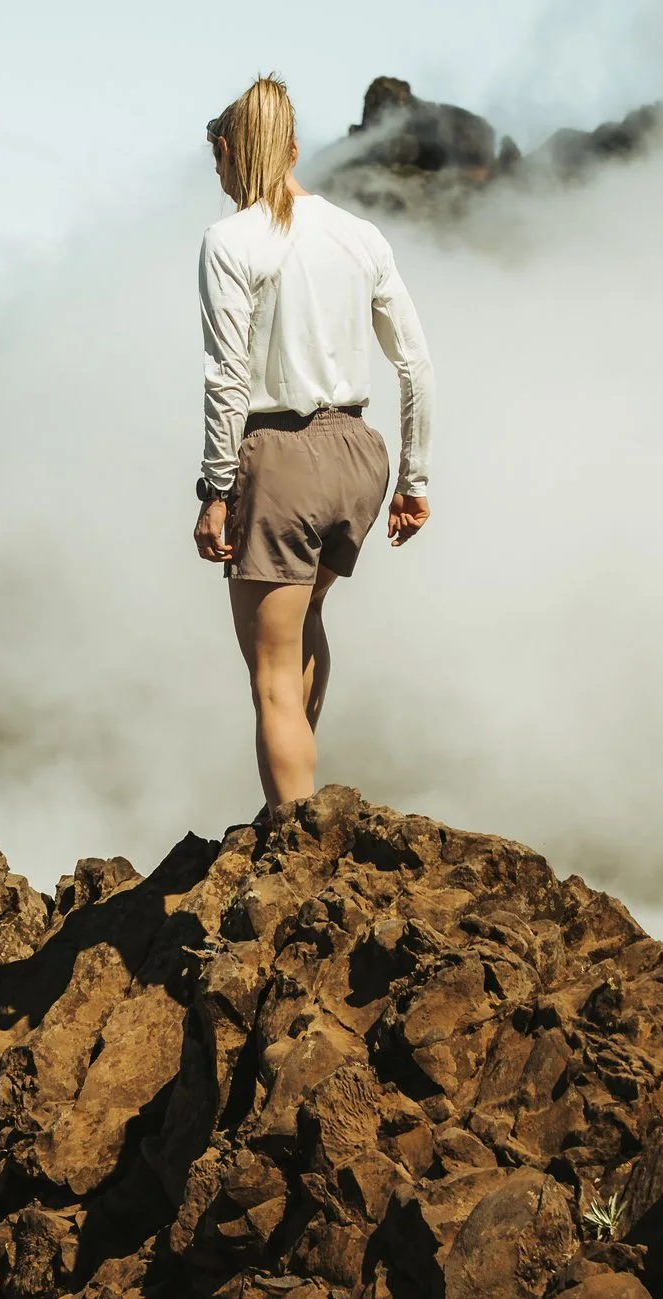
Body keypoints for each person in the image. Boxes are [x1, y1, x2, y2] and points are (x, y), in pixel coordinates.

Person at [193, 75, 434, 813]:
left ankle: (289, 831)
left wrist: (215, 490)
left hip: (283, 458)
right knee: (307, 621)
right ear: (294, 148)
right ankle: (295, 811)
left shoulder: (230, 241)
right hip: (359, 456)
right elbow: (415, 362)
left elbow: (229, 376)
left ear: (232, 152)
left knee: (270, 674)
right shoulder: (360, 235)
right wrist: (414, 479)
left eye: (219, 164)